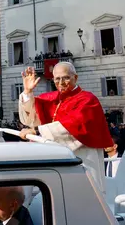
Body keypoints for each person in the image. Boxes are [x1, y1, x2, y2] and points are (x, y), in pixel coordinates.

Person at [18, 63, 113, 193]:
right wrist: (28, 92)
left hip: (83, 160)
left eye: (66, 78)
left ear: (76, 77)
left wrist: (37, 131)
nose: (61, 83)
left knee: (84, 198)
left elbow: (74, 124)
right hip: (58, 161)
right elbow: (31, 115)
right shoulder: (53, 98)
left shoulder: (88, 99)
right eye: (57, 79)